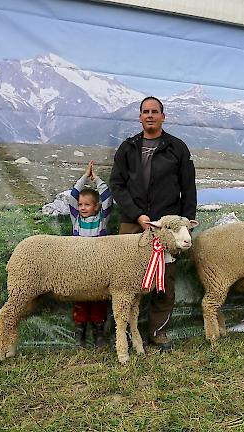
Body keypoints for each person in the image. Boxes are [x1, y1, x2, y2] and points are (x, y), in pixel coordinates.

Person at [110, 96, 196, 352]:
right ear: (139, 117)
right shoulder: (127, 148)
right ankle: (121, 331)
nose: (150, 115)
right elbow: (117, 185)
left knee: (164, 279)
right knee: (122, 280)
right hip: (133, 223)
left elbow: (188, 189)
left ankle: (158, 331)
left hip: (166, 228)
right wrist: (136, 214)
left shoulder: (177, 148)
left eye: (154, 111)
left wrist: (185, 224)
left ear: (163, 116)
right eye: (145, 112)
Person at [67, 160, 113, 347]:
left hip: (98, 265)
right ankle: (80, 333)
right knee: (80, 298)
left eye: (87, 205)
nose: (83, 208)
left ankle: (99, 333)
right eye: (81, 205)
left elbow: (108, 197)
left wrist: (97, 180)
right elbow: (72, 196)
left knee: (98, 299)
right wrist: (85, 177)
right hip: (79, 265)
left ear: (96, 206)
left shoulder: (102, 220)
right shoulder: (76, 219)